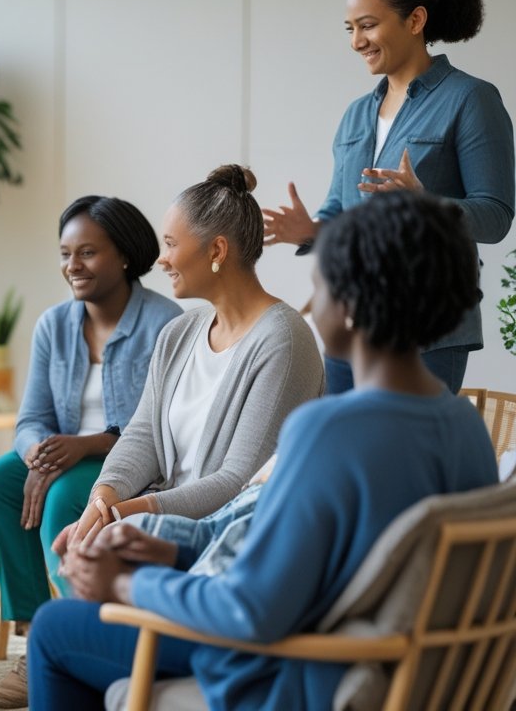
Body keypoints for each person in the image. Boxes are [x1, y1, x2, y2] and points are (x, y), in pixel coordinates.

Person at [29, 191, 500, 710]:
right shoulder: (465, 427)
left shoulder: (328, 431)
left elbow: (251, 609)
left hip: (289, 665)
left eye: (319, 284)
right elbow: (308, 551)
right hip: (375, 660)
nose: (310, 302)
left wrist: (124, 586)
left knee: (54, 625)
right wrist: (172, 548)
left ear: (352, 302)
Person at [262, 0, 514, 394]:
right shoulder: (356, 114)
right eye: (349, 29)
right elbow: (341, 214)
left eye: (368, 25)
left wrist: (426, 203)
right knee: (346, 451)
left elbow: (495, 216)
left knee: (407, 458)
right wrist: (311, 230)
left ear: (415, 20)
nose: (357, 41)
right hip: (350, 321)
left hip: (429, 330)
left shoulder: (471, 99)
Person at [0, 196, 181, 709]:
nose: (72, 266)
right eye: (65, 254)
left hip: (133, 464)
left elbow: (158, 428)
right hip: (61, 454)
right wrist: (38, 455)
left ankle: (77, 632)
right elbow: (31, 419)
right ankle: (34, 632)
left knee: (66, 495)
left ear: (126, 256)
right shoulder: (53, 326)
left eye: (87, 253)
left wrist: (83, 447)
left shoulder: (166, 323)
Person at [62, 165, 323, 553]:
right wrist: (104, 498)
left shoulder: (282, 340)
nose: (161, 260)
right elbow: (143, 435)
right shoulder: (179, 332)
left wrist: (128, 515)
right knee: (73, 532)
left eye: (170, 244)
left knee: (89, 561)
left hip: (226, 539)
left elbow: (239, 480)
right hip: (165, 524)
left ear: (216, 250)